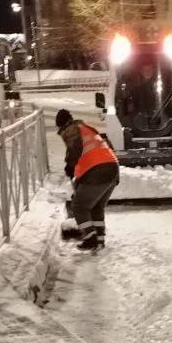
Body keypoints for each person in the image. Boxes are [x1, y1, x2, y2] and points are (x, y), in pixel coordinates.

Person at [55, 108, 119, 252]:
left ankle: (90, 239)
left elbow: (75, 151)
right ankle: (100, 241)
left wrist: (69, 165)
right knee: (96, 207)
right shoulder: (85, 128)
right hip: (112, 169)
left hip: (98, 171)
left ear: (62, 125)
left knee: (78, 206)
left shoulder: (71, 131)